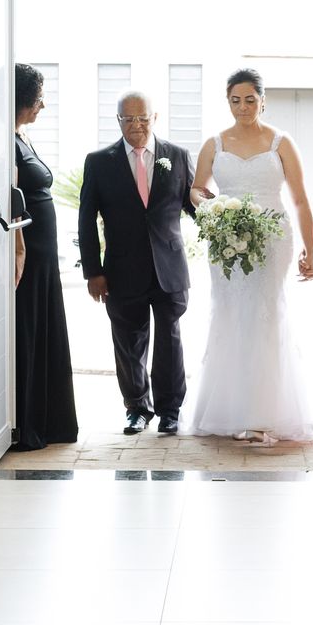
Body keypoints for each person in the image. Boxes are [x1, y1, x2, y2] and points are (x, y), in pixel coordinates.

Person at [186, 69, 313, 443]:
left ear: (263, 100)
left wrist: (310, 250)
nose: (243, 107)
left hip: (272, 238)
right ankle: (229, 409)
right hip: (226, 238)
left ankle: (264, 414)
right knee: (230, 313)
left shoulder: (281, 142)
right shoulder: (214, 144)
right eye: (235, 100)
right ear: (227, 102)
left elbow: (299, 198)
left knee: (265, 315)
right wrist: (213, 208)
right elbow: (197, 190)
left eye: (250, 99)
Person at [78, 91, 198, 435]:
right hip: (121, 269)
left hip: (169, 267)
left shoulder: (177, 155)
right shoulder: (99, 161)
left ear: (154, 117)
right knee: (128, 342)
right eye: (128, 119)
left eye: (142, 118)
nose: (137, 126)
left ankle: (170, 409)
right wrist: (93, 272)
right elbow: (87, 218)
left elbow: (193, 208)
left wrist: (223, 228)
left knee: (170, 340)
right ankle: (136, 408)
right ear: (118, 121)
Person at [8, 64, 77, 451]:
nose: (43, 105)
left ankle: (51, 421)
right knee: (28, 329)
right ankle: (26, 423)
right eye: (38, 99)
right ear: (22, 100)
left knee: (44, 326)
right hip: (28, 253)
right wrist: (18, 249)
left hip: (44, 254)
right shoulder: (0, 143)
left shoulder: (23, 137)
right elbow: (8, 200)